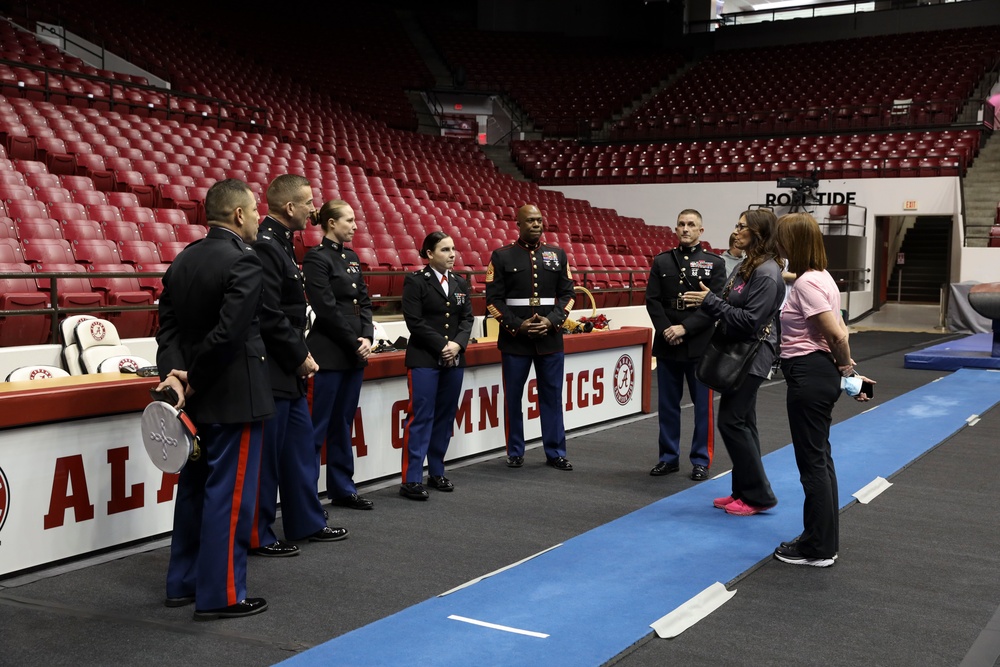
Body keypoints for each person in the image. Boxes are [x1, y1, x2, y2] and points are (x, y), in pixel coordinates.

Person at [154, 178, 271, 620]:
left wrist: (176, 377)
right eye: (256, 211)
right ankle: (221, 594)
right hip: (233, 395)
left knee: (194, 489)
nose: (259, 218)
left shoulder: (185, 259)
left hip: (193, 397)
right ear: (239, 215)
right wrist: (196, 377)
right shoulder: (244, 261)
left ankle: (181, 583)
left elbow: (166, 328)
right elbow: (230, 334)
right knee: (230, 495)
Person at [251, 175, 348, 557]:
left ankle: (306, 520)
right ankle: (259, 533)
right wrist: (299, 354)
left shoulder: (283, 245)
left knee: (298, 450)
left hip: (287, 364)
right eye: (308, 202)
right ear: (290, 207)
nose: (314, 208)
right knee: (268, 458)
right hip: (274, 365)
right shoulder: (266, 247)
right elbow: (269, 312)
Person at [773, 212, 875, 567]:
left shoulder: (806, 284)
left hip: (809, 374)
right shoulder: (822, 278)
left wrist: (847, 367)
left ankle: (817, 547)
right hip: (817, 373)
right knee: (820, 460)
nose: (777, 244)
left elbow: (837, 334)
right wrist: (852, 377)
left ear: (794, 243)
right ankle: (820, 539)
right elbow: (836, 332)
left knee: (812, 464)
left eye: (782, 238)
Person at [683, 210, 784, 515]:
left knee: (731, 421)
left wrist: (710, 303)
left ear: (758, 234)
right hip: (739, 353)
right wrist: (713, 303)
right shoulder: (746, 266)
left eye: (743, 227)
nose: (736, 231)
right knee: (744, 422)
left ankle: (758, 496)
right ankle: (742, 491)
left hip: (752, 356)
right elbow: (729, 304)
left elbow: (751, 322)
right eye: (737, 225)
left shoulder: (766, 272)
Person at [485, 204, 575, 471]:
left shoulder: (557, 255)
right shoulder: (502, 256)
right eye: (531, 221)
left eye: (539, 220)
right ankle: (515, 451)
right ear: (519, 224)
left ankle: (556, 452)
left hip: (550, 337)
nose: (536, 225)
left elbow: (569, 295)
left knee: (552, 396)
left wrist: (551, 321)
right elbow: (492, 301)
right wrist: (518, 325)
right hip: (515, 339)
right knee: (513, 397)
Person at [645, 209, 727, 481]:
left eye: (691, 225)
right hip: (668, 341)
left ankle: (701, 460)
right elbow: (653, 300)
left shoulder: (714, 263)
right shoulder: (662, 261)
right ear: (676, 228)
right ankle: (668, 458)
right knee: (668, 405)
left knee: (702, 406)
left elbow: (715, 306)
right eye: (681, 224)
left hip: (698, 344)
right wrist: (667, 328)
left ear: (701, 231)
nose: (685, 229)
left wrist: (685, 327)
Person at [303, 200, 375, 510]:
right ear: (331, 223)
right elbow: (326, 310)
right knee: (317, 428)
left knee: (343, 423)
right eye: (348, 220)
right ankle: (306, 498)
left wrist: (369, 336)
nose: (355, 225)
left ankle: (343, 489)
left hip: (353, 353)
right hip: (330, 354)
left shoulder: (352, 257)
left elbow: (364, 300)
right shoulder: (316, 259)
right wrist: (353, 341)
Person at [398, 231, 474, 500]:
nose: (452, 254)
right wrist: (442, 346)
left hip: (454, 358)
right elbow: (414, 321)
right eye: (444, 249)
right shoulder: (416, 281)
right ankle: (411, 478)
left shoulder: (461, 283)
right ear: (429, 254)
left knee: (444, 416)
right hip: (425, 359)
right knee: (420, 417)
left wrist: (457, 345)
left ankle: (437, 471)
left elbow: (467, 319)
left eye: (453, 249)